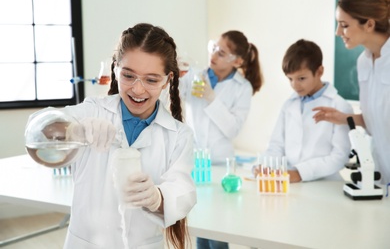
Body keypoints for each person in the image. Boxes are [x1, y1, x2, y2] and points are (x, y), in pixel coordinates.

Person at [27, 23, 197, 248]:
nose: (138, 89)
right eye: (129, 75)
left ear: (168, 80)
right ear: (115, 69)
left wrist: (157, 197)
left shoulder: (179, 136)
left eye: (151, 80)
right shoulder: (92, 112)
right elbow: (39, 129)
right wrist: (73, 130)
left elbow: (183, 192)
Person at [180, 31, 263, 249]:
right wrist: (175, 74)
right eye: (214, 47)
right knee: (200, 225)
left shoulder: (242, 87)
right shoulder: (194, 76)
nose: (214, 54)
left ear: (237, 61)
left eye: (222, 52)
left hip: (220, 164)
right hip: (195, 162)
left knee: (218, 231)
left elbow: (232, 129)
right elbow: (172, 97)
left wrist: (211, 97)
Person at [313, 0, 390, 185]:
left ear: (369, 24)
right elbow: (378, 119)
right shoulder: (363, 62)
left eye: (344, 25)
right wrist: (345, 119)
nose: (338, 32)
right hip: (382, 174)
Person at [256, 39, 353, 183]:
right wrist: (267, 166)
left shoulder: (339, 106)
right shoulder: (289, 105)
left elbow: (339, 156)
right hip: (290, 181)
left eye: (301, 78)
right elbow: (276, 145)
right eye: (290, 79)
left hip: (325, 184)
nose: (295, 85)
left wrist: (300, 173)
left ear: (319, 71)